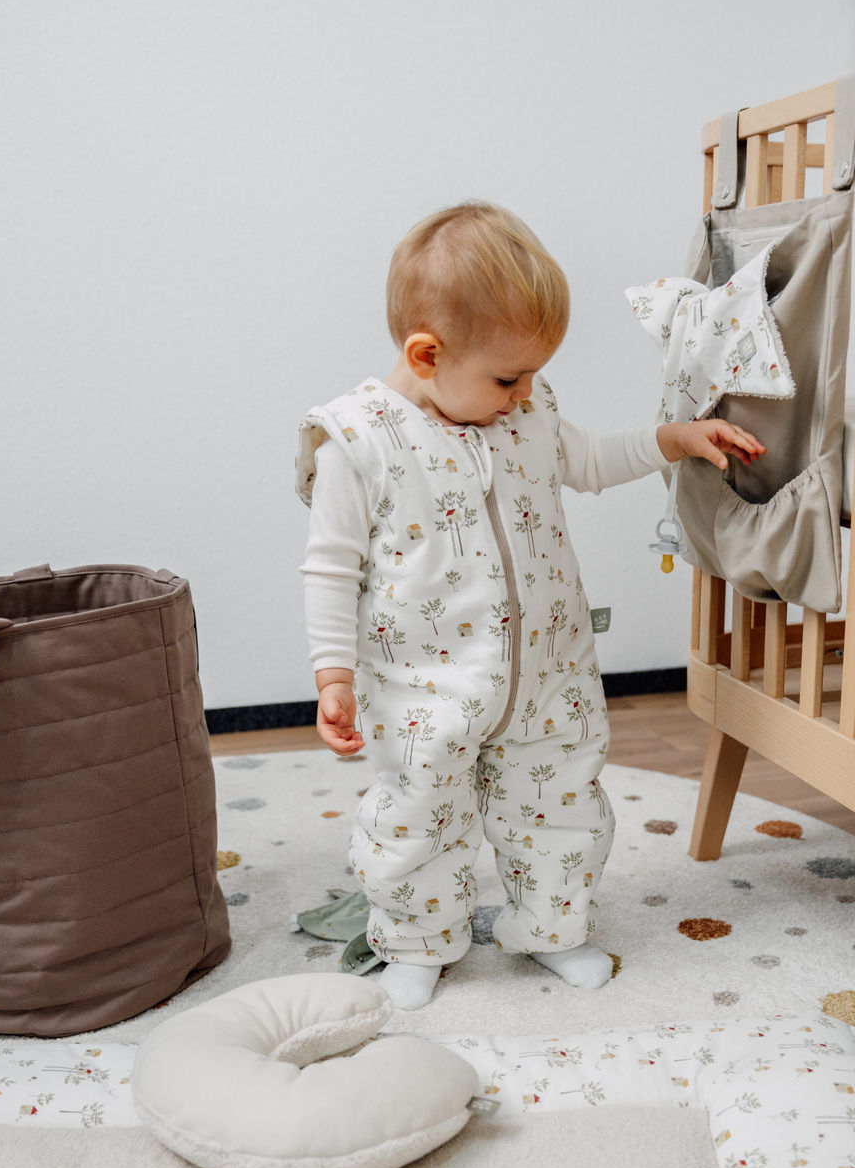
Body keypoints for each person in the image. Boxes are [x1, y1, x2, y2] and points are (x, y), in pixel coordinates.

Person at [297, 201, 763, 1009]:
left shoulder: (524, 412)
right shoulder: (360, 442)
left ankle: (552, 928)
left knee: (560, 808)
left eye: (535, 376)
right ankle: (414, 940)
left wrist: (672, 439)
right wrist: (332, 671)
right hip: (422, 692)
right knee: (417, 819)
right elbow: (330, 568)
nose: (524, 395)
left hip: (546, 676)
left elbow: (586, 459)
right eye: (509, 377)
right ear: (425, 353)